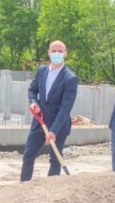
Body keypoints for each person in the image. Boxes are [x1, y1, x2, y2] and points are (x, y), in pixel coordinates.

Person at [21, 40, 79, 181]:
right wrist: (34, 103)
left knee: (55, 160)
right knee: (28, 156)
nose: (56, 54)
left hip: (59, 125)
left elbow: (65, 108)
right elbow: (32, 90)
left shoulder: (70, 78)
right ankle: (23, 187)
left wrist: (53, 131)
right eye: (54, 51)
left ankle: (50, 190)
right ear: (48, 53)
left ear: (65, 54)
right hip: (40, 121)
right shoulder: (41, 71)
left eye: (60, 51)